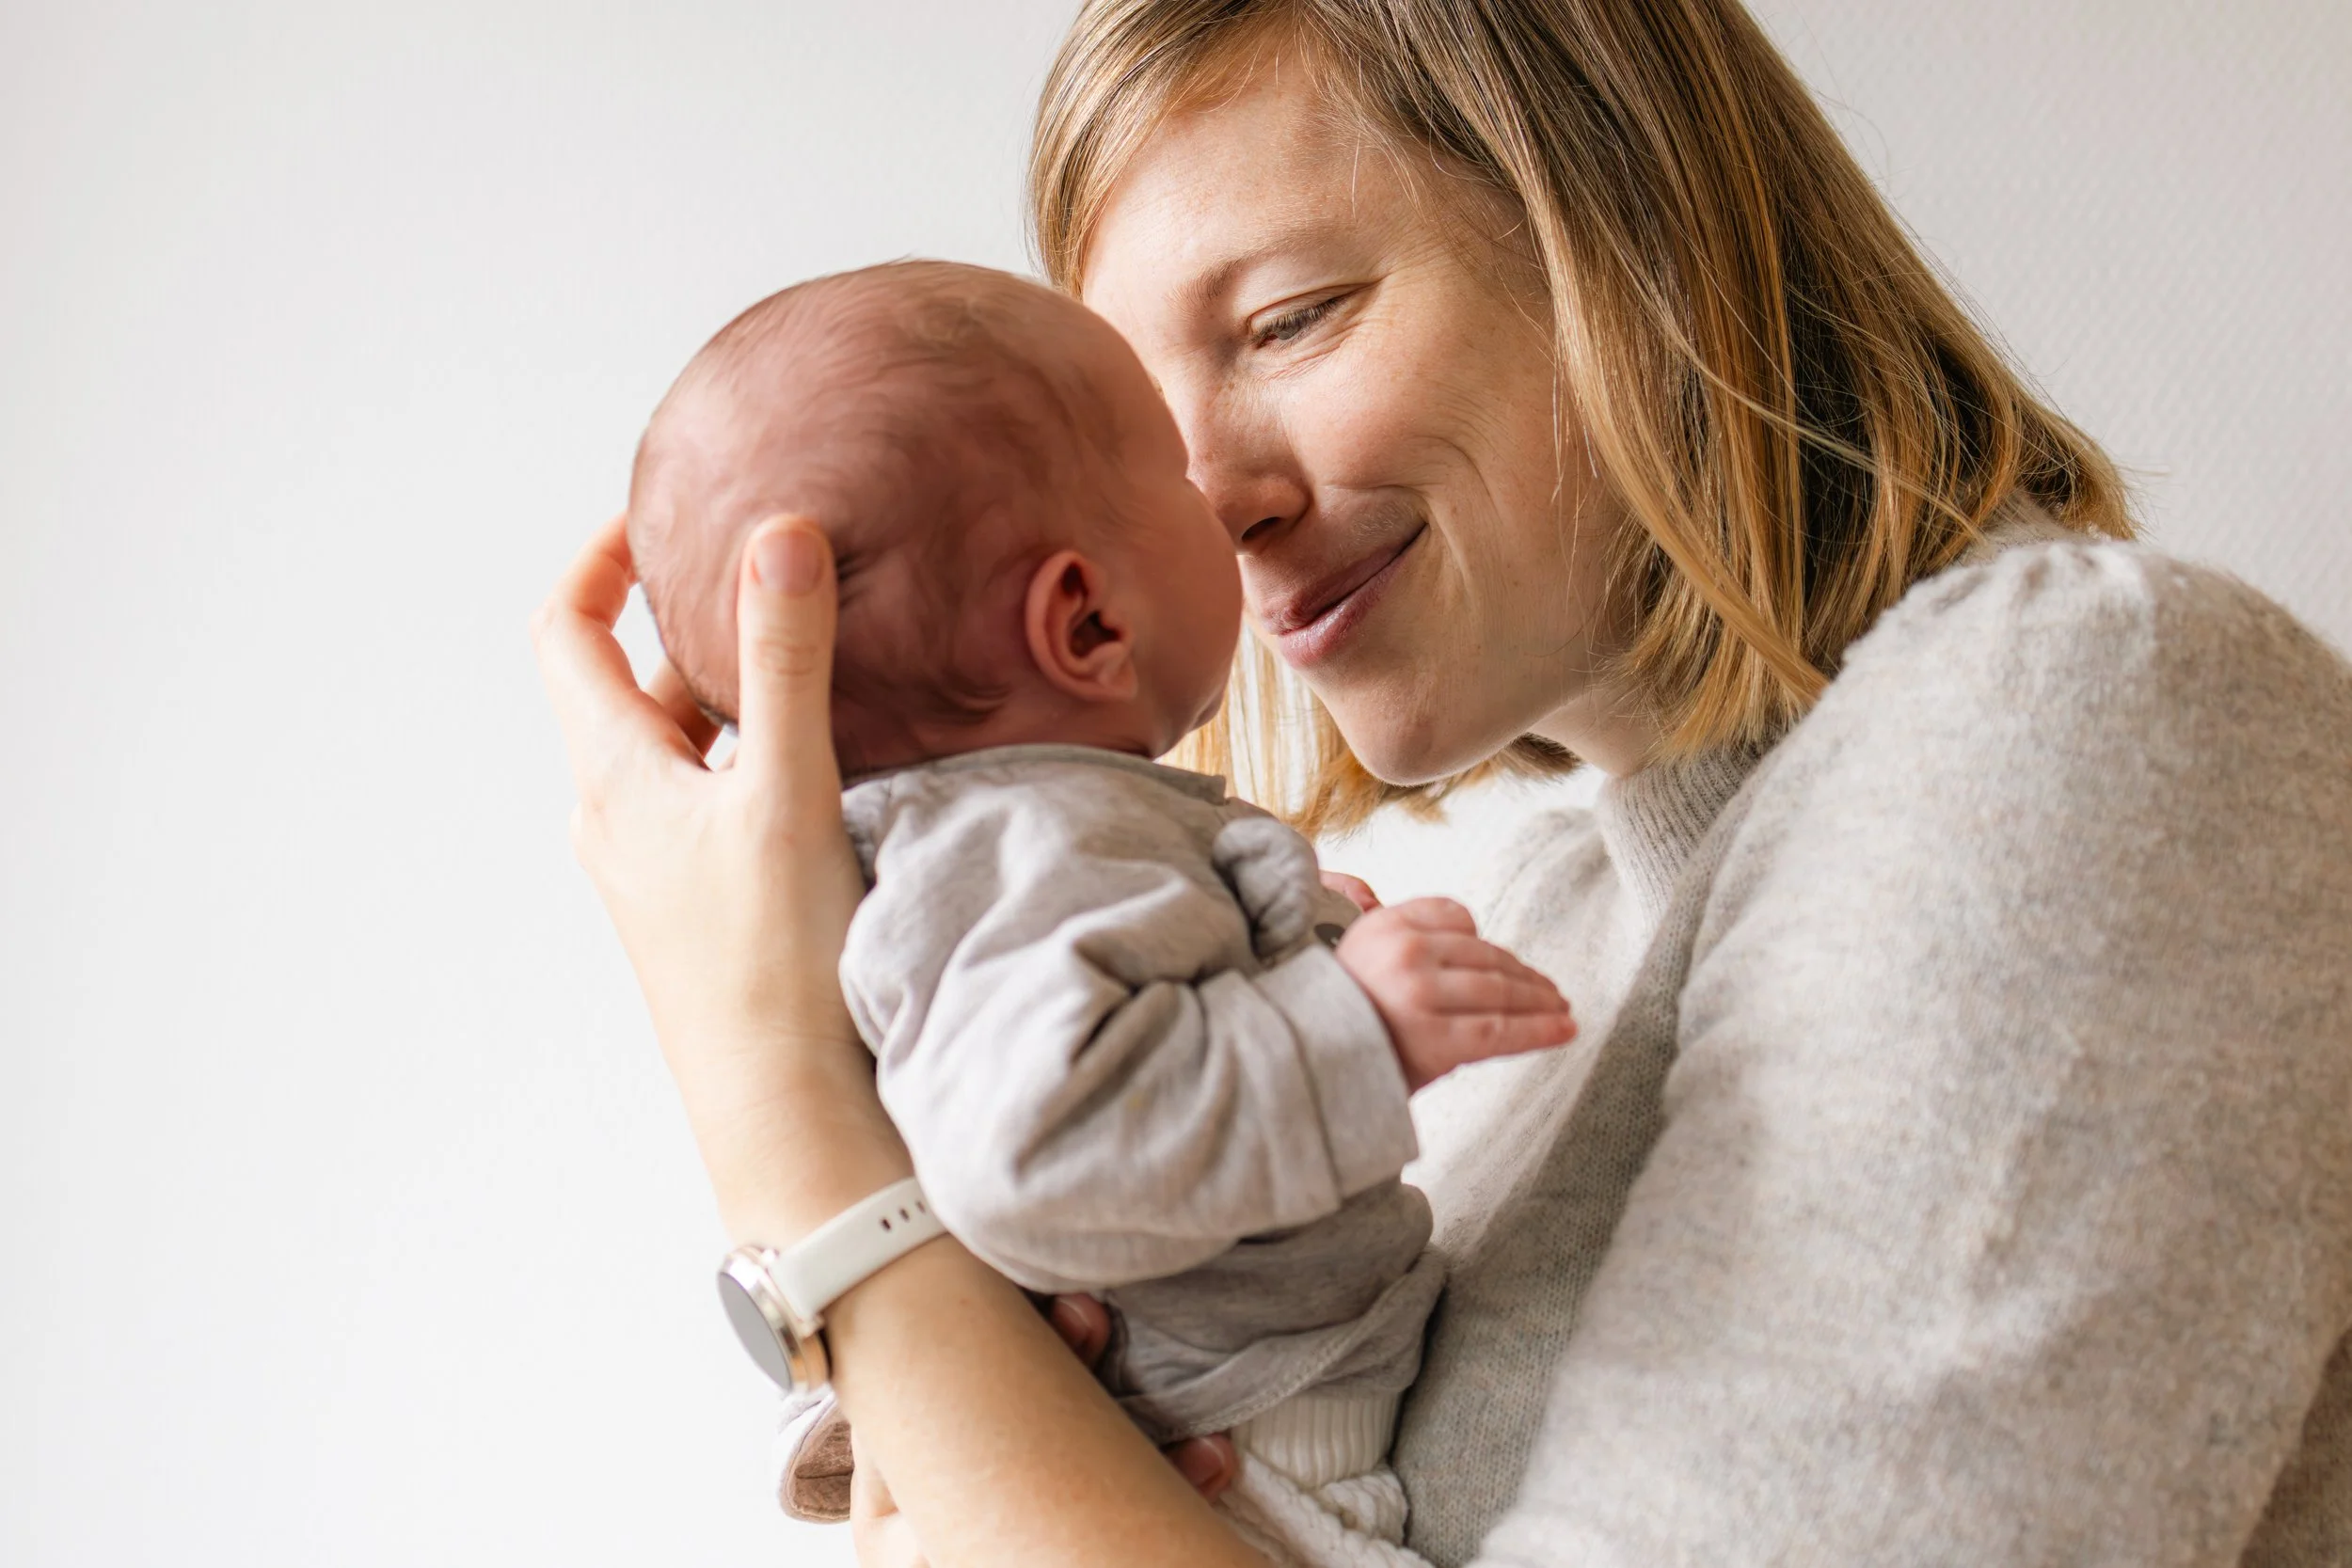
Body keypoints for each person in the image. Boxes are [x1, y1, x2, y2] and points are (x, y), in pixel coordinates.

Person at [534, 1, 2352, 1563]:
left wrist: (778, 1101)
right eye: (1154, 435)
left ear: (1628, 227)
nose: (1216, 499)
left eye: (1289, 319)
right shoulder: (1524, 939)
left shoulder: (2092, 700)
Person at [625, 256, 1576, 1566]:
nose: (1231, 508)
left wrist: (1290, 953)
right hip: (1235, 1458)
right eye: (1174, 475)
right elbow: (1040, 1148)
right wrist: (1342, 1025)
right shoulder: (1039, 841)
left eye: (1291, 322)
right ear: (1081, 617)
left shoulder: (997, 853)